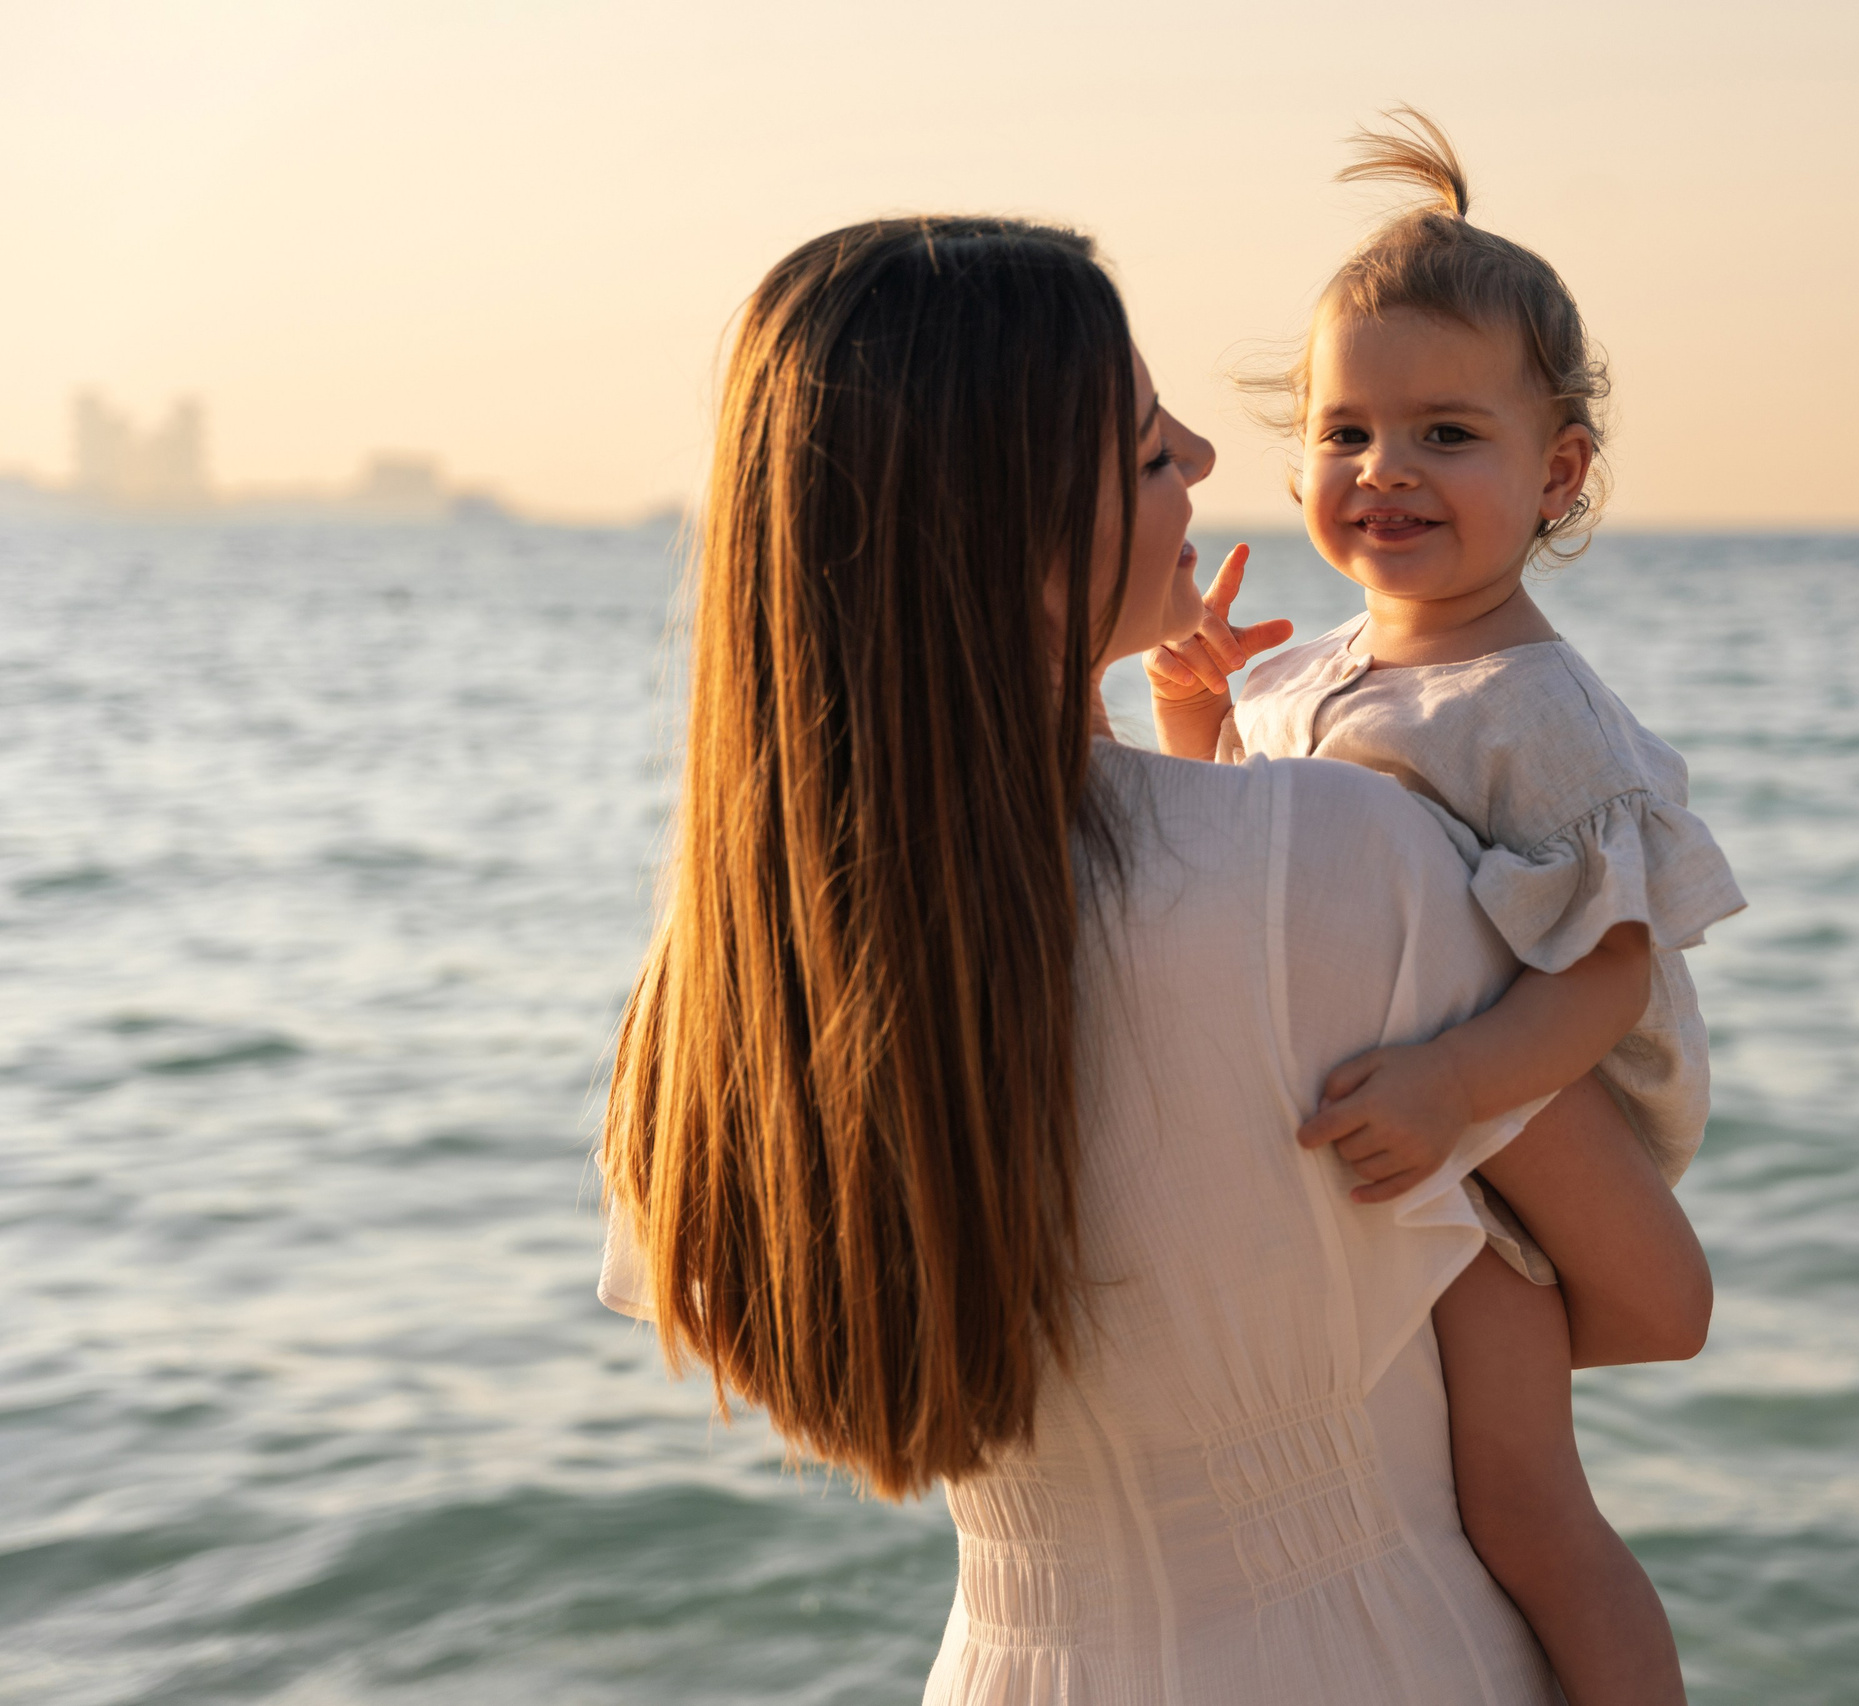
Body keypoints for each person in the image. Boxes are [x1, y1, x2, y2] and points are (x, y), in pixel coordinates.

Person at [594, 214, 1709, 1703]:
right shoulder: (1343, 857)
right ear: (1013, 538)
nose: (1197, 452)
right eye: (1138, 452)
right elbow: (1654, 1298)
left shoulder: (726, 986)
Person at [1146, 111, 1741, 1705]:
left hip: (1517, 1141)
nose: (1385, 472)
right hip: (1403, 1127)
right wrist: (1197, 713)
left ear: (1558, 474)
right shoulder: (1304, 671)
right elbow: (1239, 862)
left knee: (1529, 1514)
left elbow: (1610, 977)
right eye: (1348, 434)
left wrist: (1457, 1084)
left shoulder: (1527, 707)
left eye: (1446, 437)